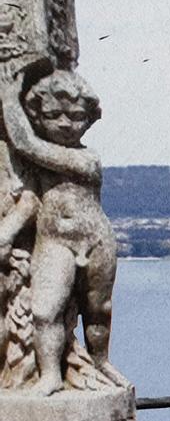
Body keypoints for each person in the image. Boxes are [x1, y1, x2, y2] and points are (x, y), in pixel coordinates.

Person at [0, 69, 127, 395]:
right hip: (54, 240)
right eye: (53, 115)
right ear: (38, 117)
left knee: (98, 309)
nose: (65, 124)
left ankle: (100, 361)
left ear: (89, 119)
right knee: (44, 310)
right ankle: (50, 375)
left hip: (95, 238)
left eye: (75, 116)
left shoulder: (86, 159)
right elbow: (29, 199)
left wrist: (8, 98)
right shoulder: (36, 166)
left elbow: (25, 143)